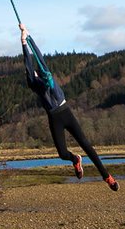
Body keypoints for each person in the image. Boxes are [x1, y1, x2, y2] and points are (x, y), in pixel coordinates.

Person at [19, 22, 118, 190]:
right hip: (54, 117)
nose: (36, 72)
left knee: (86, 145)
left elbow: (39, 59)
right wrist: (23, 44)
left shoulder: (47, 77)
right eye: (34, 72)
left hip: (66, 112)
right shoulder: (33, 83)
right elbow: (29, 65)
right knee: (62, 154)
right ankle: (75, 160)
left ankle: (107, 177)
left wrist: (28, 37)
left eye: (37, 71)